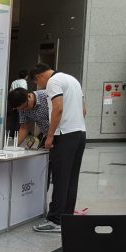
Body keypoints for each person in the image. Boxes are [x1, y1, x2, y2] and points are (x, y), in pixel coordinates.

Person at [29, 63, 86, 233]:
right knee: (71, 178)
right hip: (80, 133)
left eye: (37, 83)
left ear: (39, 76)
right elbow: (84, 110)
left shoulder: (53, 82)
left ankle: (55, 220)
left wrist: (50, 135)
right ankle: (66, 218)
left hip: (64, 135)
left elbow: (58, 109)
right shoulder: (73, 80)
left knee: (60, 178)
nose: (40, 86)